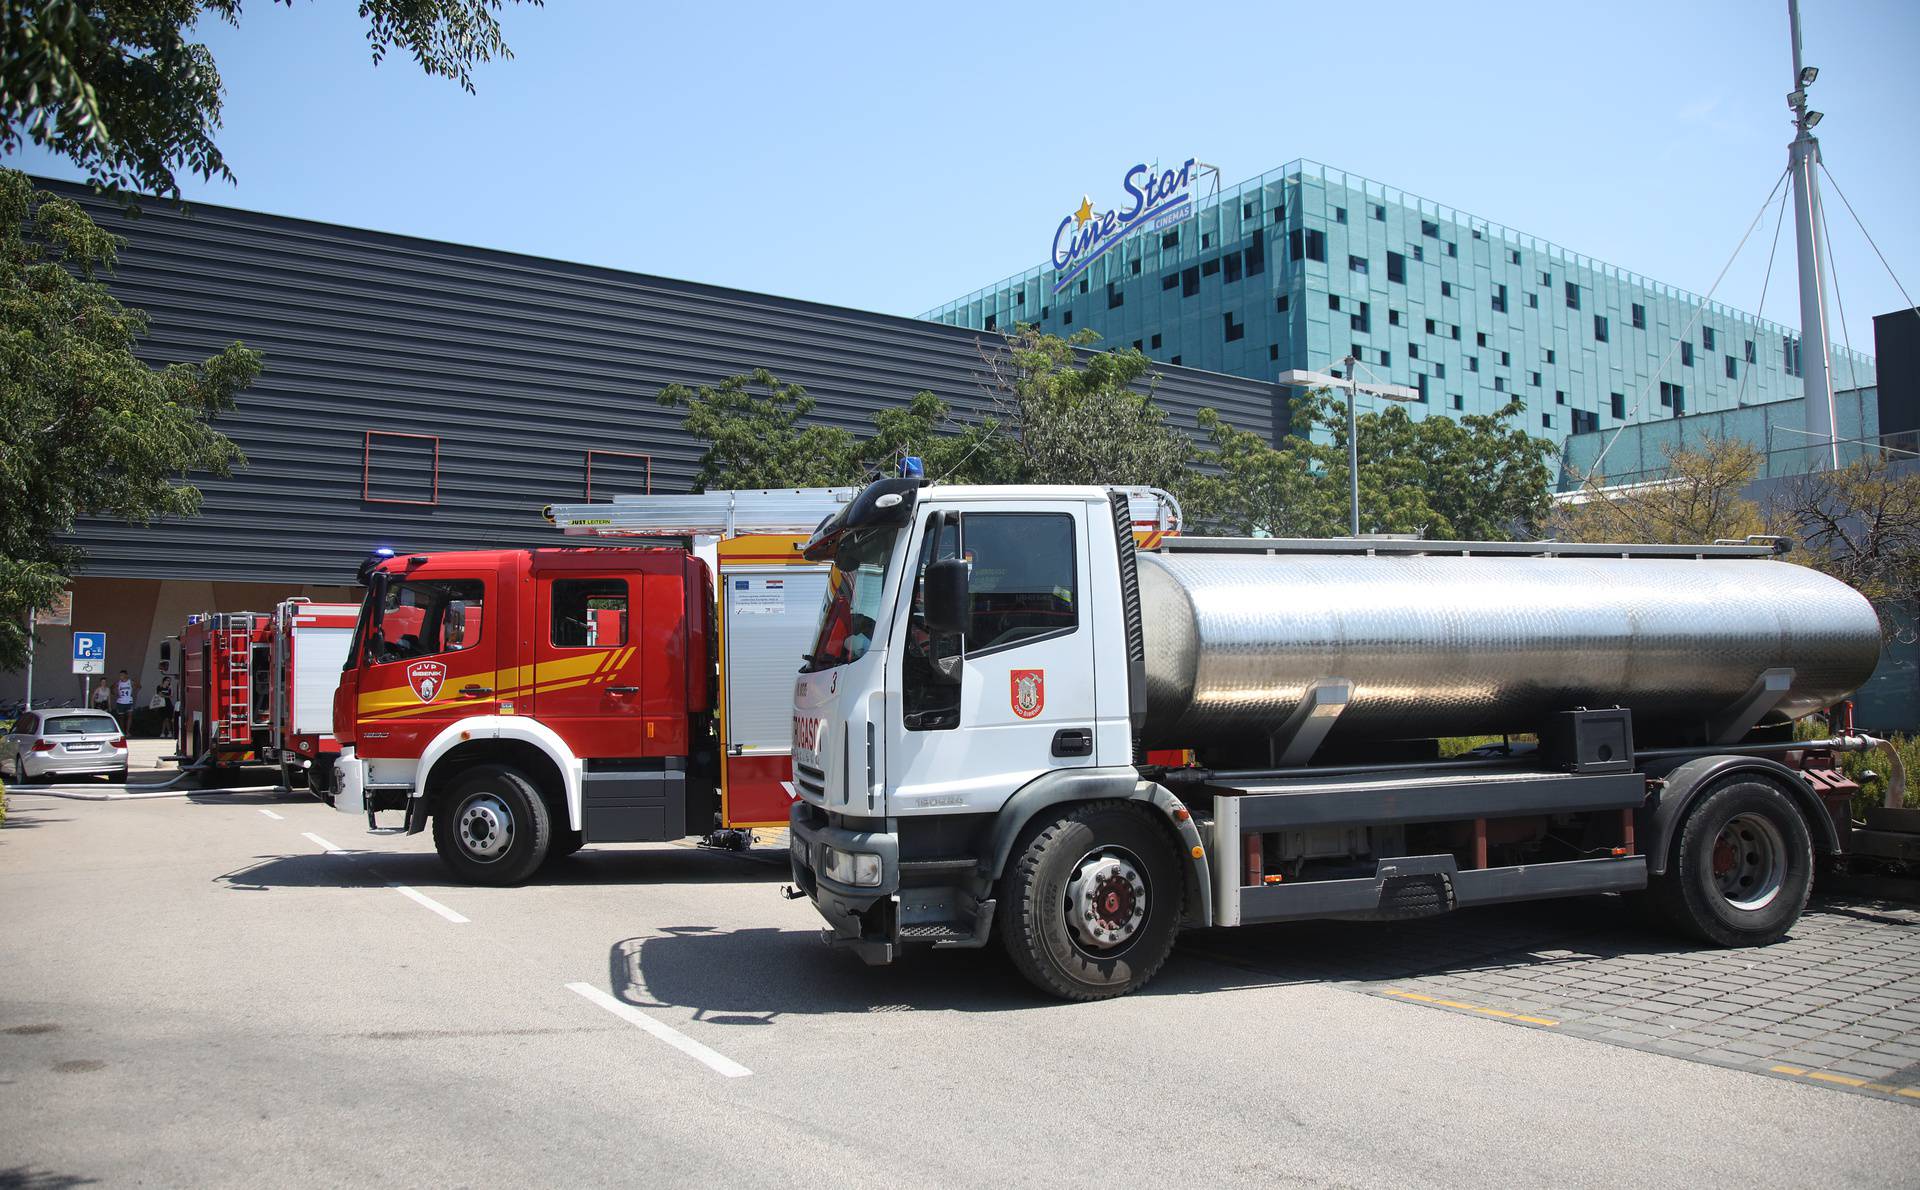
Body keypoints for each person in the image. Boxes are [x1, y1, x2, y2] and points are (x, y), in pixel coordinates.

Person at [112, 669, 137, 735]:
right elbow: (112, 688)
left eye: (122, 675)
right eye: (120, 675)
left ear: (126, 675)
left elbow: (139, 686)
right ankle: (122, 731)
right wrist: (115, 693)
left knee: (130, 716)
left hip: (129, 701)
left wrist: (133, 690)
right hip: (120, 702)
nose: (121, 676)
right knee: (121, 718)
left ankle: (128, 731)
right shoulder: (118, 682)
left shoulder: (130, 682)